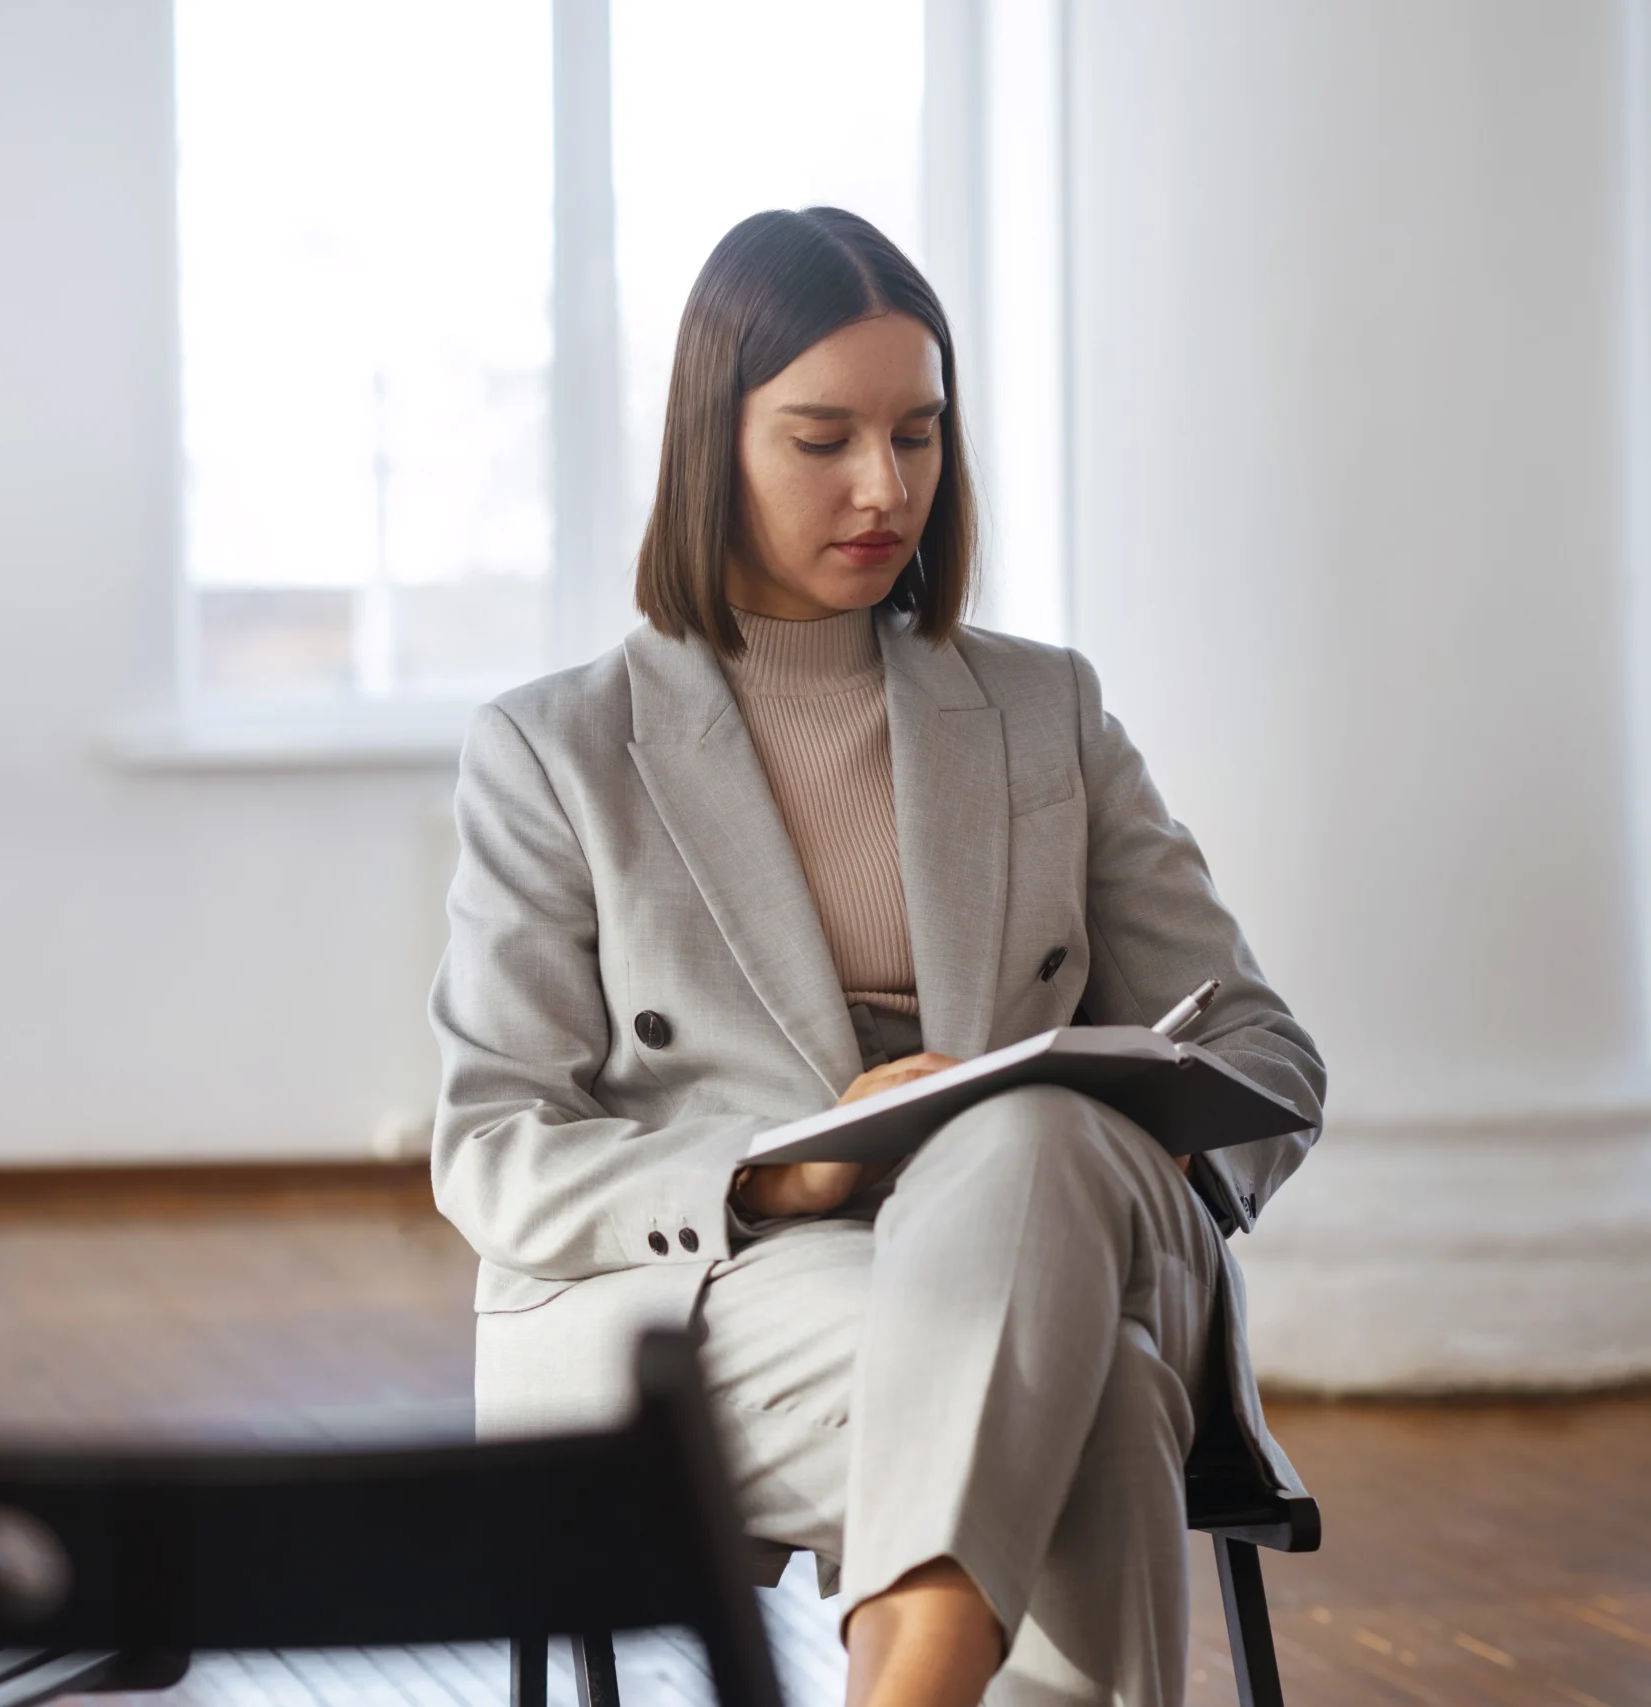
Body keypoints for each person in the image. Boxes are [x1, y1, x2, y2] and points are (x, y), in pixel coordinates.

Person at [428, 207, 1325, 1707]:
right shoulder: (555, 749)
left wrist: (1124, 1150)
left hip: (1087, 1238)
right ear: (711, 445)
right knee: (1098, 1405)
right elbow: (494, 1148)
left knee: (1032, 1137)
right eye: (822, 438)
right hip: (724, 1290)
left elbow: (1266, 1055)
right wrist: (773, 1174)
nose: (886, 487)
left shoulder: (1044, 711)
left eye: (919, 433)